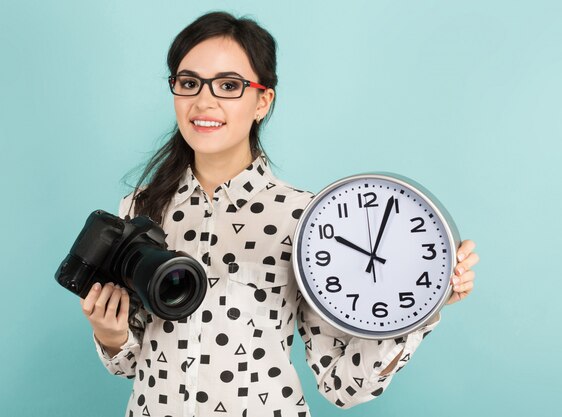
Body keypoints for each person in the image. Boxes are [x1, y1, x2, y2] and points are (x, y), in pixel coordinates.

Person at [79, 11, 479, 417]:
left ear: (262, 101)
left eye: (229, 85)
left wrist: (422, 309)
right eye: (188, 83)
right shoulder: (140, 207)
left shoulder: (307, 219)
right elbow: (133, 363)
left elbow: (341, 384)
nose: (204, 101)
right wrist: (109, 334)